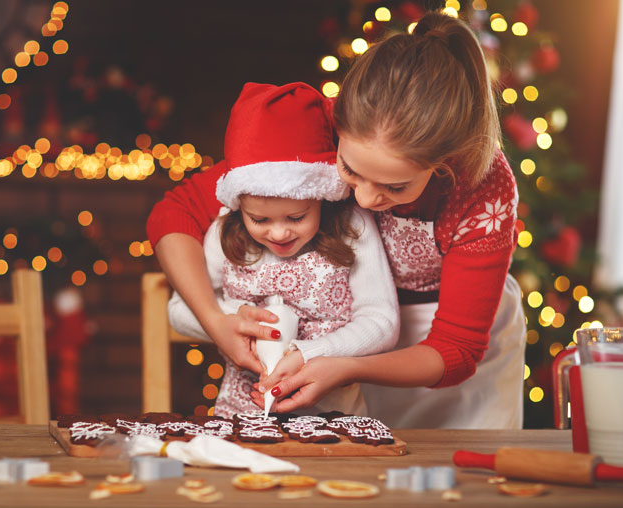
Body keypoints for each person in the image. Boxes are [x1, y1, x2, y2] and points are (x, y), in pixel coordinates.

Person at [147, 11, 526, 429]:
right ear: (338, 126)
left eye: (394, 187)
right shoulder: (314, 128)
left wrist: (345, 365)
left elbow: (455, 350)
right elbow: (174, 212)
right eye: (350, 170)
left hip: (442, 372)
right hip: (343, 346)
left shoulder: (484, 187)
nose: (363, 198)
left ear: (442, 165)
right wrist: (216, 321)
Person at [166, 82, 399, 418]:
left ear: (321, 196)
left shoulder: (352, 227)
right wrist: (228, 319)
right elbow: (178, 310)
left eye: (296, 216)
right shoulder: (225, 232)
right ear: (238, 205)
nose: (278, 232)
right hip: (240, 419)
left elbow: (382, 321)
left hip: (333, 419)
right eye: (258, 219)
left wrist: (310, 351)